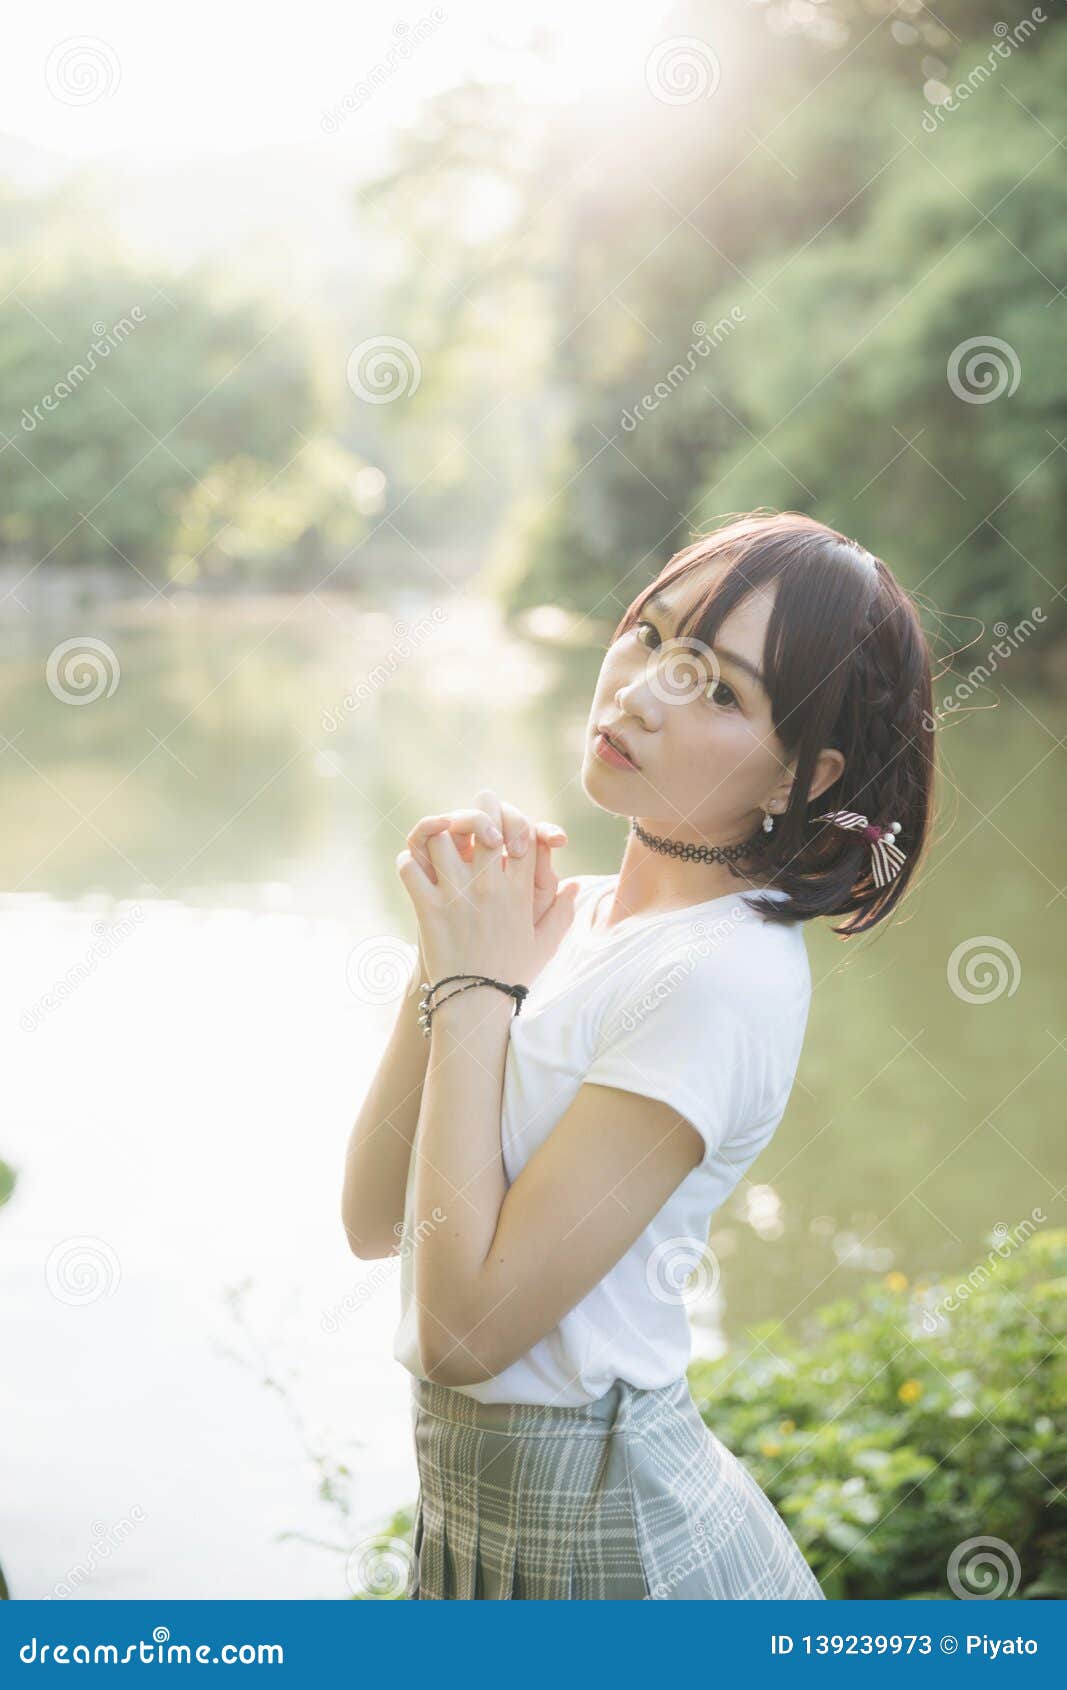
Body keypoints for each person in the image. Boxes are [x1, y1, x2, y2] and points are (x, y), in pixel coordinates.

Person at [341, 511, 936, 1599]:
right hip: (474, 1523)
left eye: (719, 690)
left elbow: (465, 1330)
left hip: (608, 1551)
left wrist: (476, 988)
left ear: (800, 776)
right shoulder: (568, 920)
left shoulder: (719, 975)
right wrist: (448, 955)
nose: (644, 689)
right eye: (653, 635)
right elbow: (376, 1222)